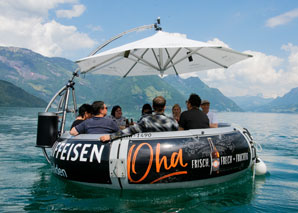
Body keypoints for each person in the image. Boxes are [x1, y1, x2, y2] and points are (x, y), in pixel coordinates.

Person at [100, 96, 178, 142]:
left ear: (153, 107)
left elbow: (129, 131)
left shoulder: (146, 121)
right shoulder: (173, 122)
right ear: (164, 107)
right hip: (169, 155)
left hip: (151, 152)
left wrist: (111, 137)